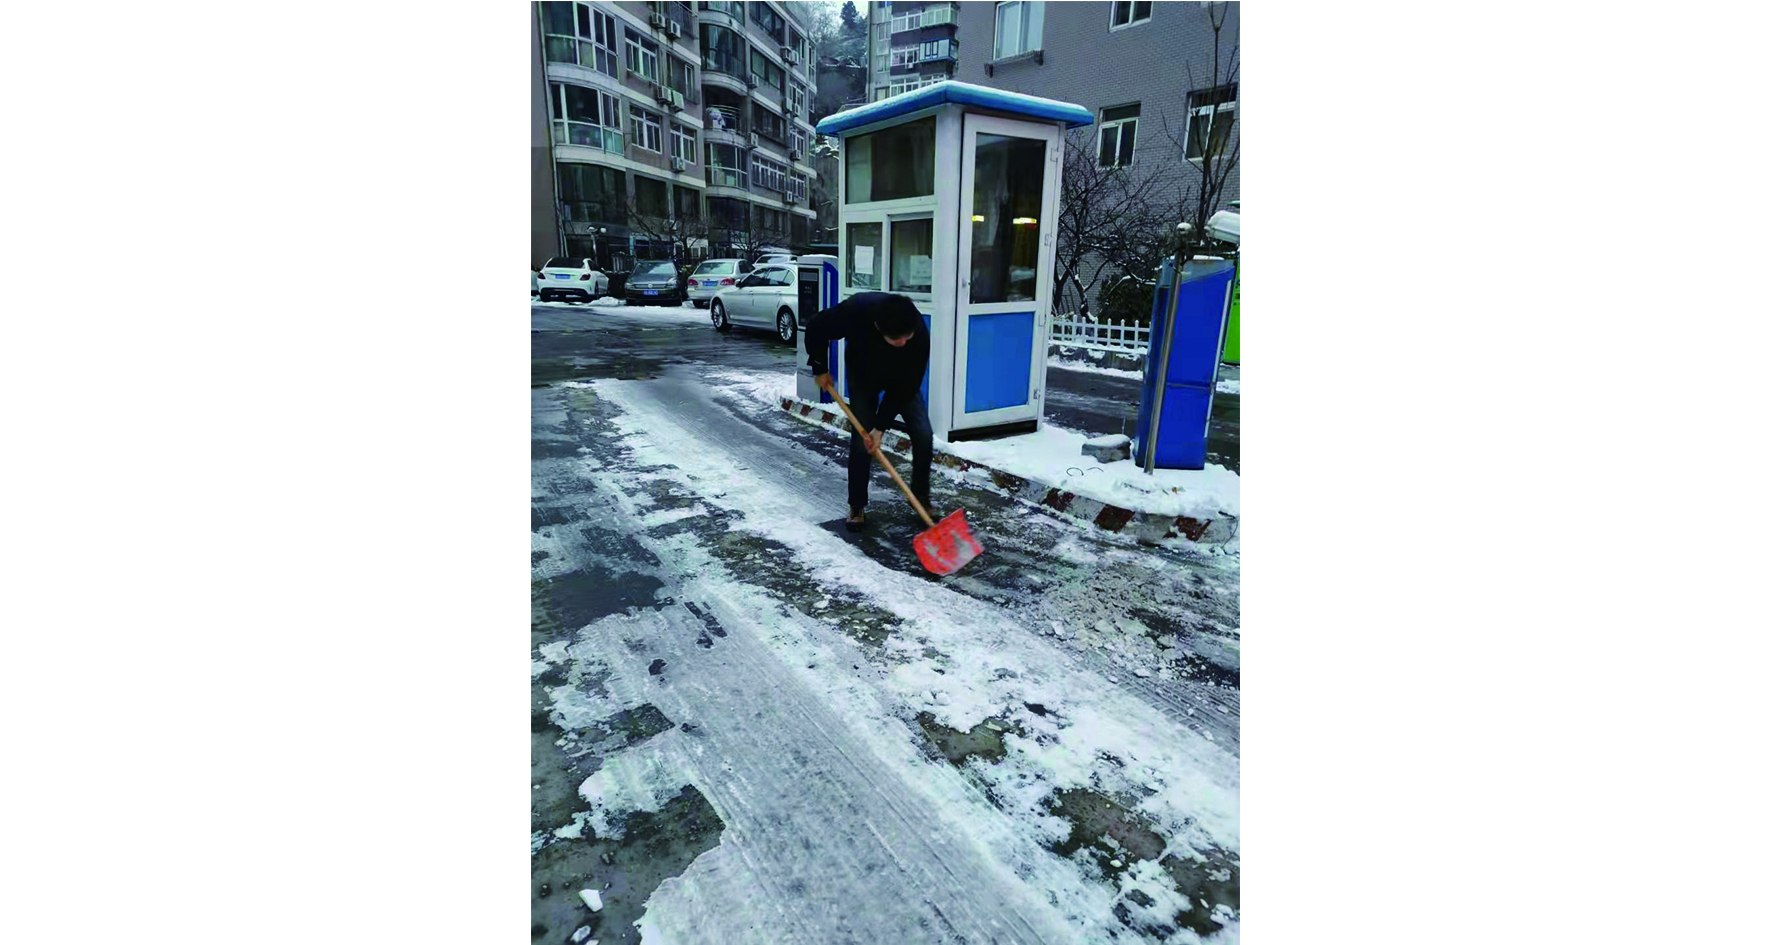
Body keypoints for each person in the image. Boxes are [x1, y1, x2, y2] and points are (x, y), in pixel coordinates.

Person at [803, 292, 931, 532]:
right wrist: (820, 367)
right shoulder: (856, 311)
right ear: (878, 328)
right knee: (862, 439)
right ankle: (857, 504)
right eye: (896, 339)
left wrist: (880, 428)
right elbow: (816, 327)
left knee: (923, 433)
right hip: (863, 374)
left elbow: (906, 387)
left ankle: (920, 498)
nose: (904, 342)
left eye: (908, 336)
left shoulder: (917, 332)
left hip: (902, 380)